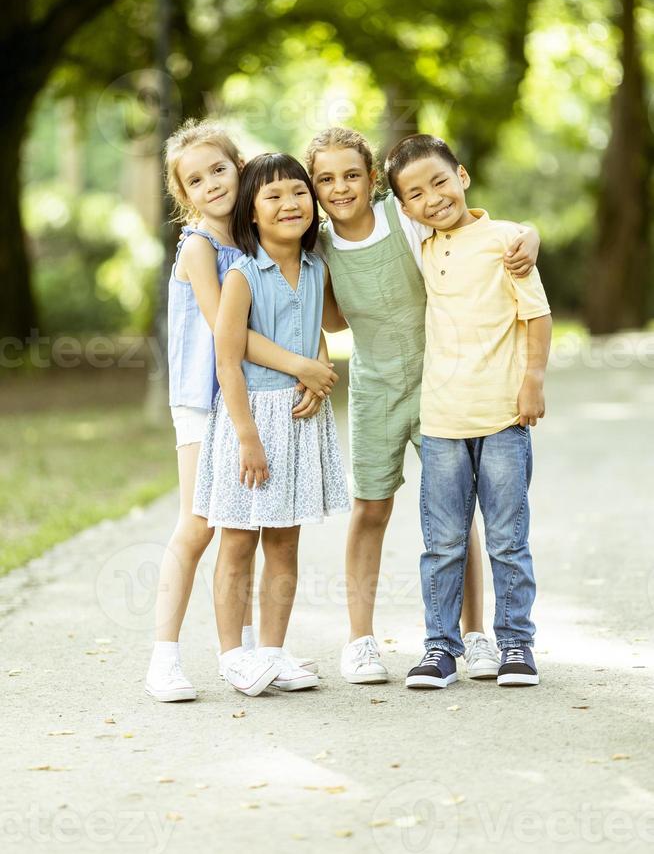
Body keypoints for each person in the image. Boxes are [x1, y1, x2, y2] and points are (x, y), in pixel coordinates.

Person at [305, 126, 541, 684]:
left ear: (374, 181)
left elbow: (471, 226)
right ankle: (360, 640)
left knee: (459, 516)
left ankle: (476, 633)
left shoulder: (403, 216)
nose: (341, 188)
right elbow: (332, 318)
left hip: (443, 383)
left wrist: (529, 234)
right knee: (371, 508)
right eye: (326, 179)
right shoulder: (318, 245)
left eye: (352, 175)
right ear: (313, 187)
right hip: (376, 389)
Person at [145, 121, 337, 703]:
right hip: (205, 401)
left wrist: (309, 364)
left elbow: (304, 313)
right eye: (195, 180)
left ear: (240, 167)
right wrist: (305, 366)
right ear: (184, 195)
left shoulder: (262, 243)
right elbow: (226, 334)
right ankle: (165, 658)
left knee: (261, 521)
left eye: (219, 169)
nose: (211, 184)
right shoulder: (202, 247)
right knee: (203, 525)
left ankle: (257, 654)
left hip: (253, 397)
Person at [386, 133, 551, 689]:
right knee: (443, 543)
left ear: (463, 175)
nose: (432, 197)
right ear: (405, 209)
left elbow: (537, 315)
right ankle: (439, 649)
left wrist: (533, 382)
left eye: (439, 180)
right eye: (415, 193)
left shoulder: (506, 241)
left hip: (504, 416)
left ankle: (516, 645)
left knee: (507, 539)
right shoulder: (423, 247)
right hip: (441, 423)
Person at [193, 153, 350, 697]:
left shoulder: (316, 269)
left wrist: (317, 374)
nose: (290, 204)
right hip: (251, 422)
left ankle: (274, 652)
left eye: (299, 192)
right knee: (237, 540)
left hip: (300, 419)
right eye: (273, 196)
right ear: (252, 213)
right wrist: (247, 437)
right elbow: (227, 360)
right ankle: (232, 656)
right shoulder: (241, 274)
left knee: (284, 542)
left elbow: (316, 334)